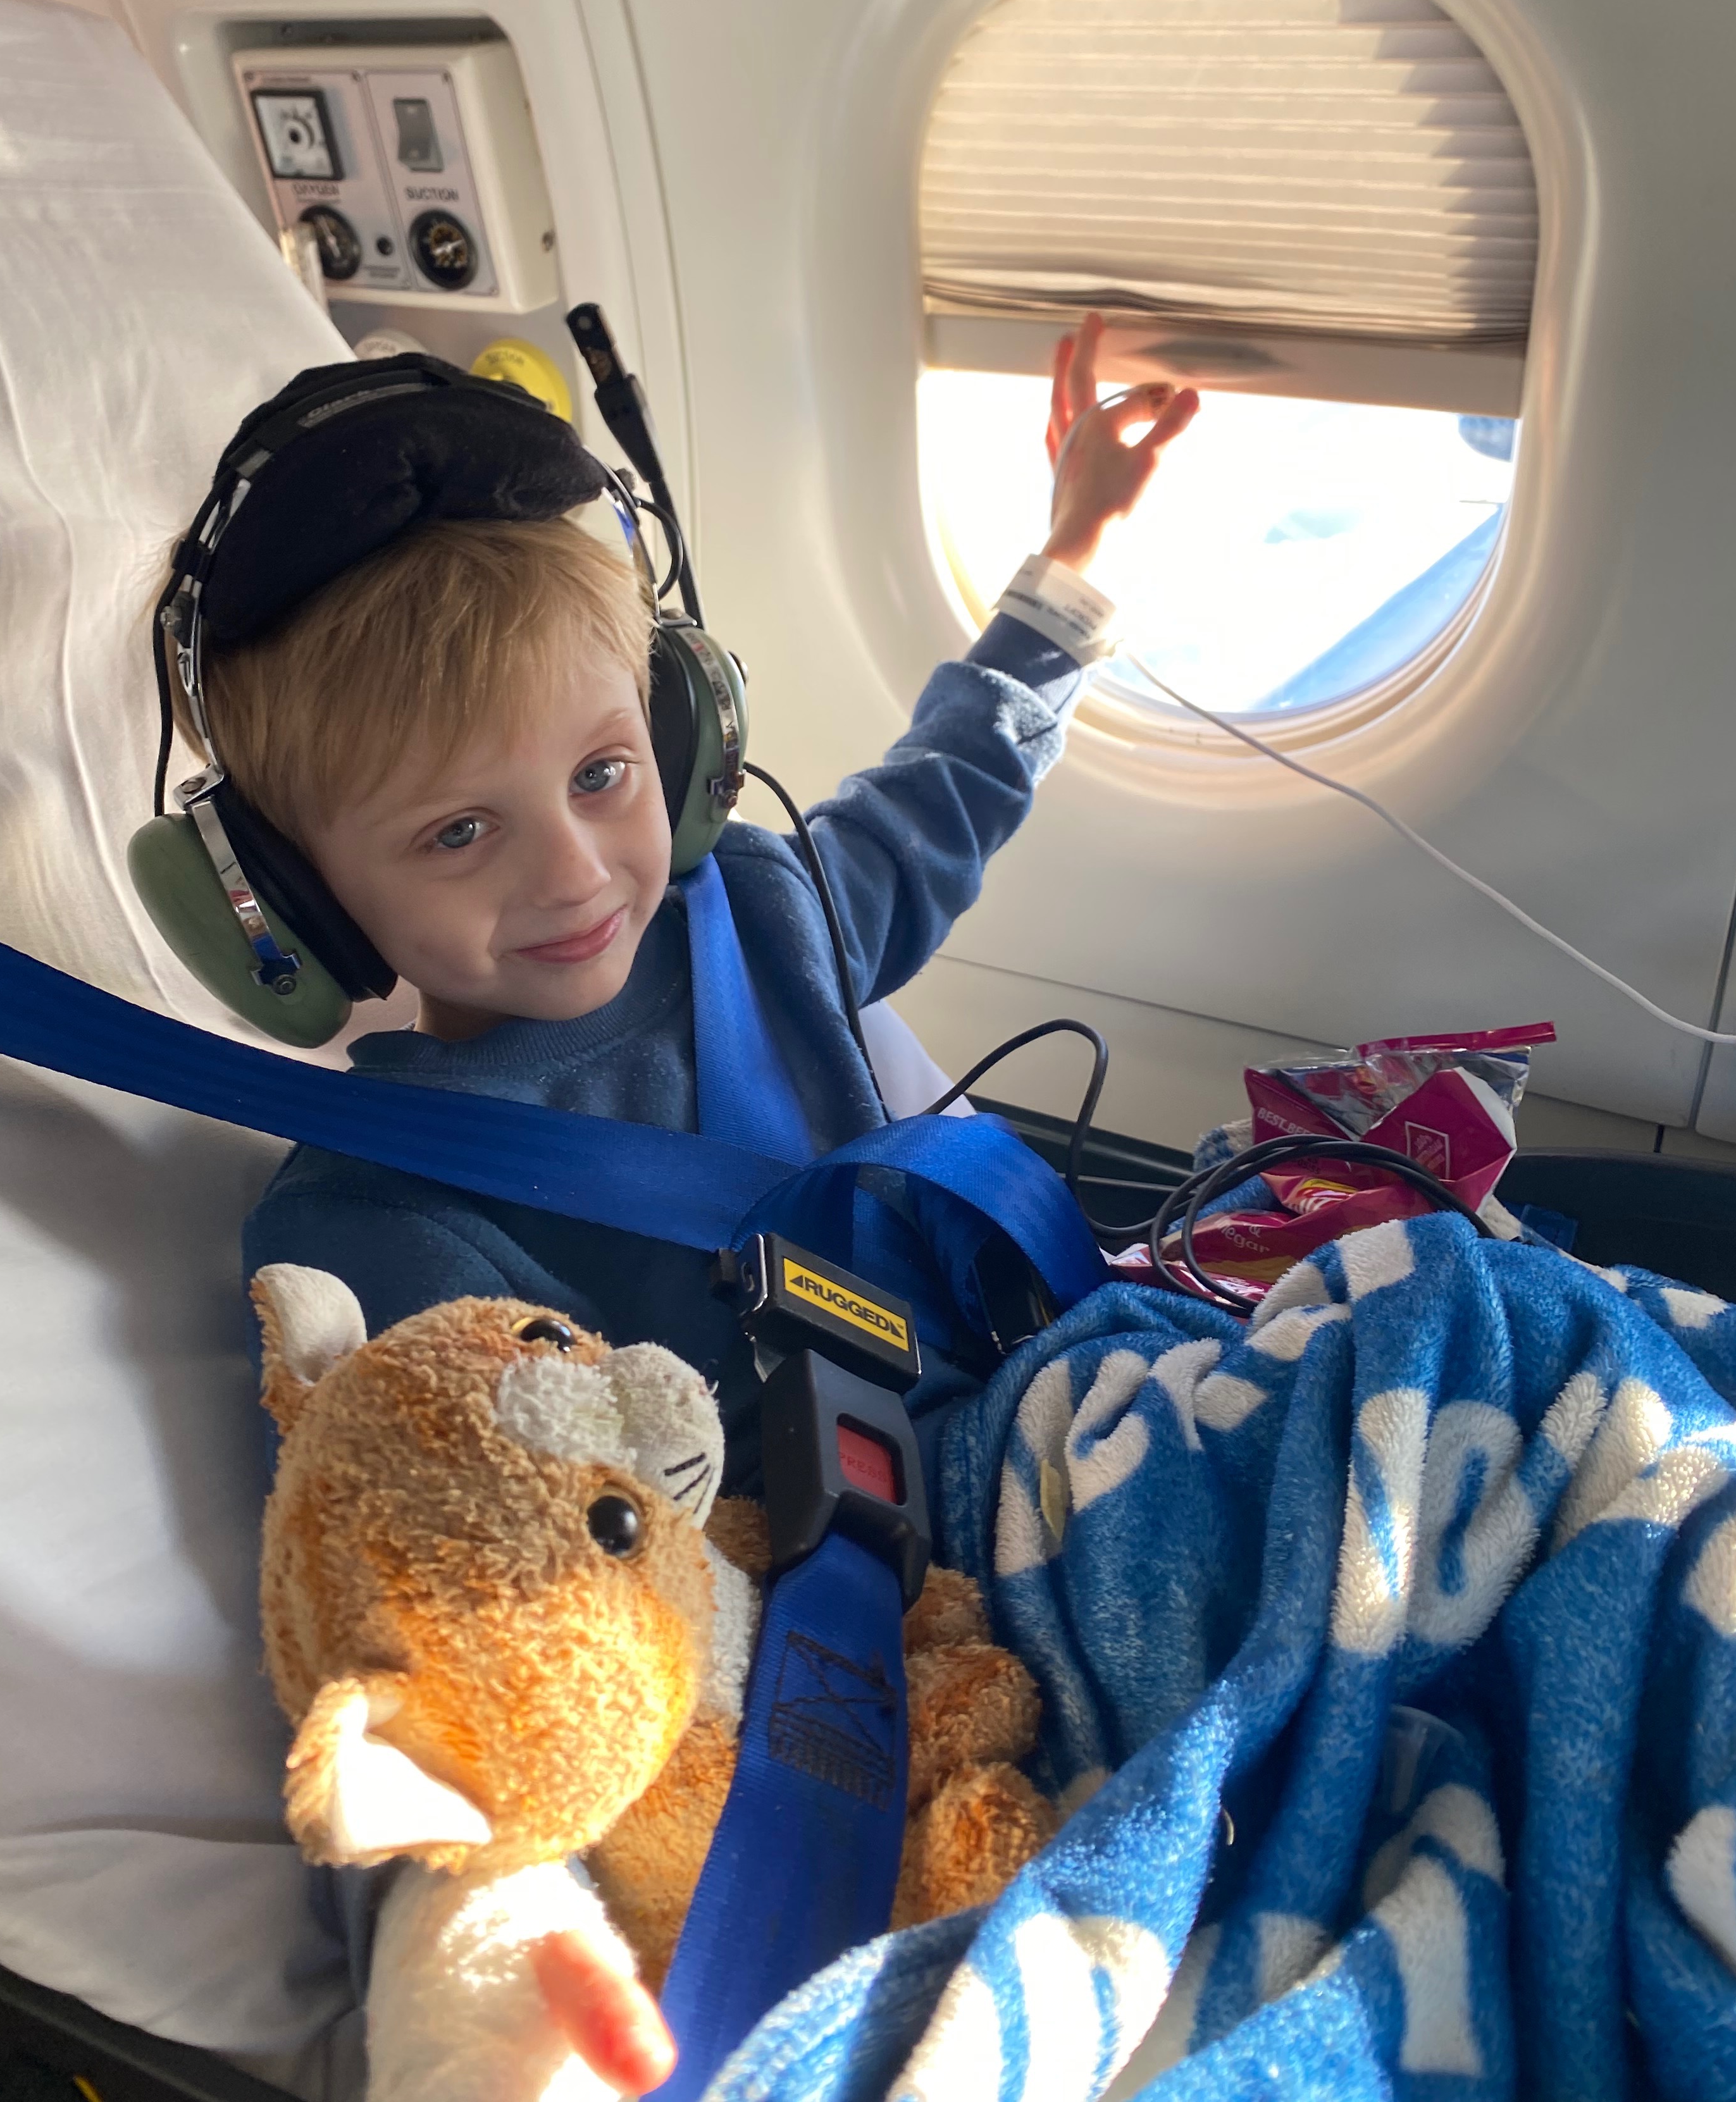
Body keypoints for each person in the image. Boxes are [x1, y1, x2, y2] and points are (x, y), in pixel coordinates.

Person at [201, 316, 1197, 1492]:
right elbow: (521, 1550)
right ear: (294, 893)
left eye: (600, 774)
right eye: (460, 831)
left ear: (683, 736)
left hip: (1073, 1403)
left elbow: (939, 799)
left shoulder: (762, 913)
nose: (575, 874)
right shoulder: (374, 1213)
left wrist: (1075, 555)